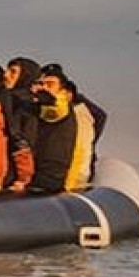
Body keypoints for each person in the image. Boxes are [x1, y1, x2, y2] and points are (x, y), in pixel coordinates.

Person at [28, 63, 81, 192]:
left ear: (63, 91)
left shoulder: (60, 105)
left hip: (49, 176)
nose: (44, 88)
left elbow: (56, 109)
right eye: (42, 84)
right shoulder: (42, 108)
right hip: (40, 173)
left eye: (50, 84)